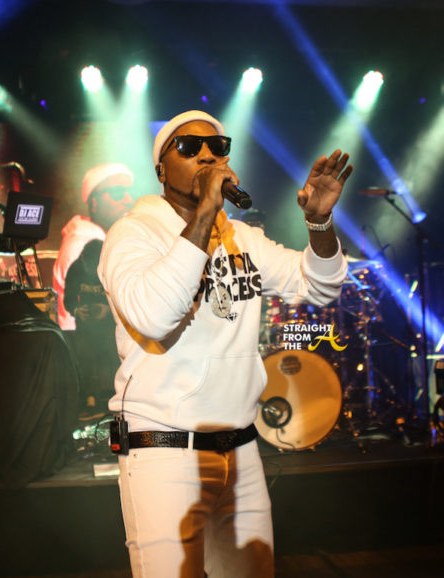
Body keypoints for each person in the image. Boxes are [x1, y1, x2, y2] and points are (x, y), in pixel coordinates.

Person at [97, 110, 352, 578]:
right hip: (164, 450)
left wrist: (319, 223)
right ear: (161, 169)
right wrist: (204, 216)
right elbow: (154, 317)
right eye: (189, 147)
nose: (207, 155)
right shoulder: (132, 234)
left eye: (217, 146)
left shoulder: (243, 238)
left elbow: (319, 286)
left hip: (241, 448)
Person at [53, 163, 135, 330]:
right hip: (87, 342)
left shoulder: (106, 238)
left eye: (129, 192)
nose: (128, 200)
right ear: (94, 202)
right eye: (118, 193)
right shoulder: (82, 245)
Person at [63, 239, 118, 415]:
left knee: (114, 356)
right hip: (85, 327)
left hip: (109, 327)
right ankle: (90, 399)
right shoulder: (76, 269)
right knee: (83, 356)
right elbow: (68, 299)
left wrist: (107, 309)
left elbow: (121, 297)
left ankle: (116, 398)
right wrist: (77, 310)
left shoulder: (111, 267)